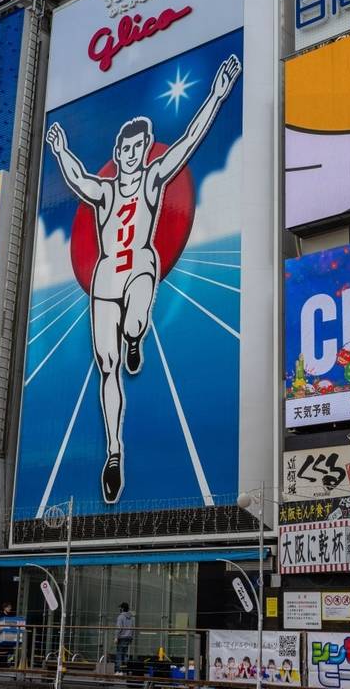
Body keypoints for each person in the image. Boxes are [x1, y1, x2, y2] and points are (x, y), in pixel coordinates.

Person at [45, 53, 241, 504]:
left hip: (140, 267)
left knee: (136, 313)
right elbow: (76, 177)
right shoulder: (105, 191)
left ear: (145, 148)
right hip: (104, 281)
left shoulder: (154, 180)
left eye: (139, 148)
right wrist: (58, 149)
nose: (132, 155)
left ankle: (137, 335)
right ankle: (114, 451)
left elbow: (190, 140)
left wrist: (217, 93)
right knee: (107, 368)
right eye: (126, 150)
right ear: (118, 154)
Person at [0, 602, 24, 667]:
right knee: (2, 651)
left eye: (10, 607)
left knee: (10, 651)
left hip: (10, 637)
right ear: (5, 608)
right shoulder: (0, 615)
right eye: (9, 607)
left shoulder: (11, 616)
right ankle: (0, 664)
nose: (10, 609)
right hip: (2, 636)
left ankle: (8, 663)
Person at [114, 602, 136, 674]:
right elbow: (133, 628)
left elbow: (119, 628)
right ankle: (124, 670)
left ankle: (118, 671)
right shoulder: (132, 617)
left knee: (119, 654)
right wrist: (131, 637)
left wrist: (116, 637)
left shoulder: (120, 617)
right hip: (128, 637)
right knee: (125, 654)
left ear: (122, 608)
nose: (119, 609)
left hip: (121, 638)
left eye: (120, 607)